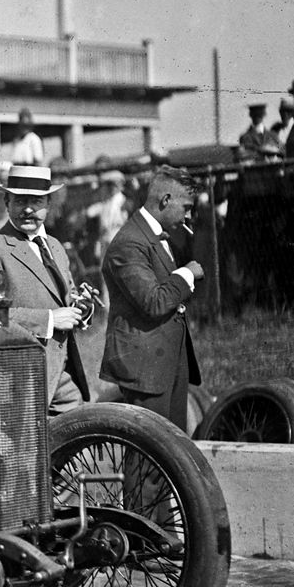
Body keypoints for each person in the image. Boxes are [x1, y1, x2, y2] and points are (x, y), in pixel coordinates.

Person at [0, 164, 89, 415]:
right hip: (20, 372)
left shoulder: (55, 246)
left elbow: (66, 295)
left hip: (62, 371)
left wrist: (82, 306)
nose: (27, 209)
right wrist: (49, 319)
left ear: (48, 203)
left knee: (72, 438)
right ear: (6, 201)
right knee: (23, 448)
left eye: (36, 202)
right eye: (20, 201)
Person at [100, 165, 204, 432]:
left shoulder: (158, 235)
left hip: (167, 360)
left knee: (172, 451)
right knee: (147, 458)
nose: (189, 216)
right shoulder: (129, 243)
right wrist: (187, 275)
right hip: (146, 368)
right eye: (187, 207)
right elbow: (154, 302)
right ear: (166, 200)